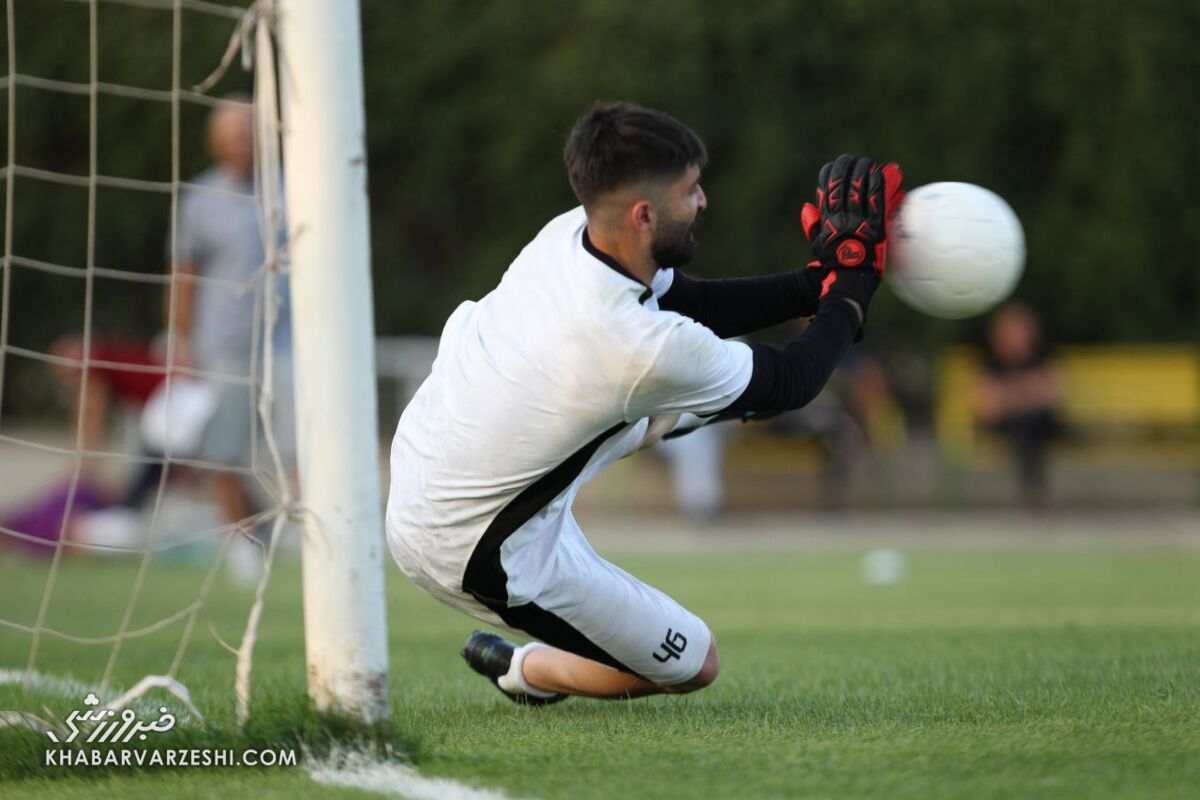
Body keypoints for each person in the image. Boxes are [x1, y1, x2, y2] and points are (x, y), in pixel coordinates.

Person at [386, 102, 903, 704]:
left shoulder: (569, 235)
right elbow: (792, 379)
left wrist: (820, 281)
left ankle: (711, 407)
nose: (704, 201)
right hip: (474, 544)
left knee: (671, 404)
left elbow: (695, 303)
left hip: (441, 459)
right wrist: (853, 289)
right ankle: (525, 670)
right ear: (644, 214)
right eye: (691, 191)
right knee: (691, 663)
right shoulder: (633, 348)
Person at [168, 96, 293, 574]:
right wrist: (181, 342)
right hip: (221, 343)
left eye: (246, 131)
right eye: (229, 133)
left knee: (302, 444)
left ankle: (306, 538)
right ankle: (243, 545)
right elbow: (184, 274)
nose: (239, 141)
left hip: (289, 343)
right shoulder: (199, 199)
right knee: (223, 450)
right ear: (214, 142)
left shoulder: (293, 188)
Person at [972, 302, 1061, 507]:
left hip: (1039, 424)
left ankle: (1033, 492)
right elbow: (987, 407)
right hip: (1006, 427)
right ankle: (1034, 492)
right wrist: (1028, 391)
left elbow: (1052, 394)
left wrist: (1010, 394)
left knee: (1032, 425)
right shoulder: (990, 362)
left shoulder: (1043, 357)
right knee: (1026, 426)